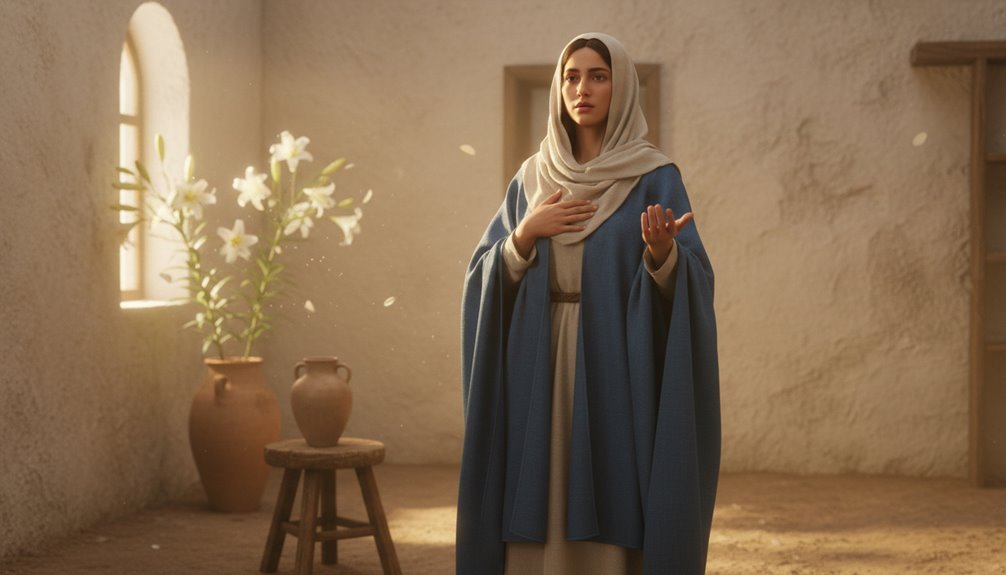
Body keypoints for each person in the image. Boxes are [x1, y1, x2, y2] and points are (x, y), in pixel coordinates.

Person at [458, 32, 720, 575]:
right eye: (571, 76)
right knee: (541, 475)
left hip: (615, 360)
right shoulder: (532, 176)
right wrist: (524, 236)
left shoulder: (655, 177)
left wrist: (662, 255)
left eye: (598, 75)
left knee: (612, 472)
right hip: (539, 357)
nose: (582, 88)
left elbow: (693, 278)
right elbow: (483, 273)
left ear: (621, 87)